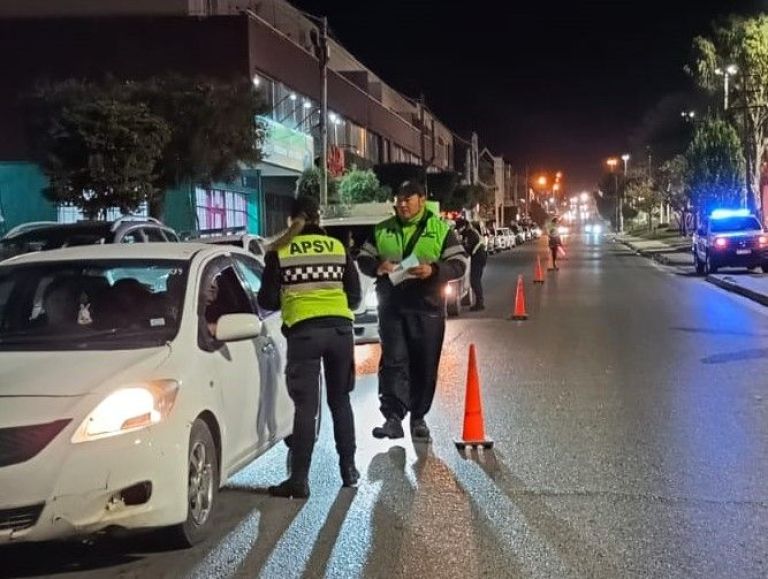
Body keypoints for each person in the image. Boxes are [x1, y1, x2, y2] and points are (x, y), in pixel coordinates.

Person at [258, 195, 362, 499]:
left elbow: (266, 301)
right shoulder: (338, 248)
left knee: (306, 408)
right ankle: (349, 470)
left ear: (291, 220)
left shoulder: (281, 251)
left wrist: (292, 295)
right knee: (340, 401)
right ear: (319, 218)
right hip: (341, 332)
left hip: (304, 333)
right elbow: (354, 297)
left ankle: (300, 480)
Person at [357, 180, 468, 441]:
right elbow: (363, 258)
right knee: (394, 360)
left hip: (427, 306)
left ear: (421, 199)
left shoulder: (440, 228)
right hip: (392, 306)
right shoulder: (382, 229)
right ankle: (393, 417)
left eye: (408, 199)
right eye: (399, 198)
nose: (403, 204)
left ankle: (419, 417)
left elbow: (460, 262)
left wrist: (434, 271)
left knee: (424, 363)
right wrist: (377, 266)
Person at [455, 218, 487, 311]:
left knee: (474, 280)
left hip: (478, 258)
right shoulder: (470, 232)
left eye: (459, 228)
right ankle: (479, 302)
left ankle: (480, 304)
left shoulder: (471, 234)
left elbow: (467, 248)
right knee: (475, 280)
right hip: (479, 257)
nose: (458, 231)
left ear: (464, 226)